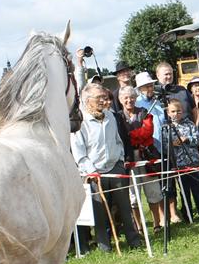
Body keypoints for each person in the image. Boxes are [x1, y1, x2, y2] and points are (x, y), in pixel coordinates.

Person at [71, 84, 142, 252]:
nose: (104, 101)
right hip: (94, 173)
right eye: (99, 98)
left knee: (125, 207)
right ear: (88, 101)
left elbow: (118, 140)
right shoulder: (81, 122)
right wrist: (91, 170)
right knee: (100, 212)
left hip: (115, 168)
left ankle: (134, 241)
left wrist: (120, 160)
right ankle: (104, 246)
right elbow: (79, 151)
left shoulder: (110, 116)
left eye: (104, 97)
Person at [117, 85, 165, 230]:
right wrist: (132, 137)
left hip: (146, 155)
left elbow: (147, 132)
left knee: (152, 190)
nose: (129, 100)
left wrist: (128, 136)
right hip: (128, 158)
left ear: (136, 98)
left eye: (132, 97)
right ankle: (138, 226)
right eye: (125, 97)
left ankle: (157, 223)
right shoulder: (117, 117)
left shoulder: (144, 112)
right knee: (133, 194)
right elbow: (118, 136)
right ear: (120, 99)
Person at [164, 98, 199, 221]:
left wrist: (187, 139)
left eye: (178, 111)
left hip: (193, 162)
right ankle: (188, 215)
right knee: (184, 191)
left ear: (182, 112)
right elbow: (165, 146)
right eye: (173, 111)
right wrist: (172, 144)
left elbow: (198, 139)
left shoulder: (190, 124)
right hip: (179, 164)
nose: (176, 114)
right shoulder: (167, 128)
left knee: (198, 189)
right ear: (168, 112)